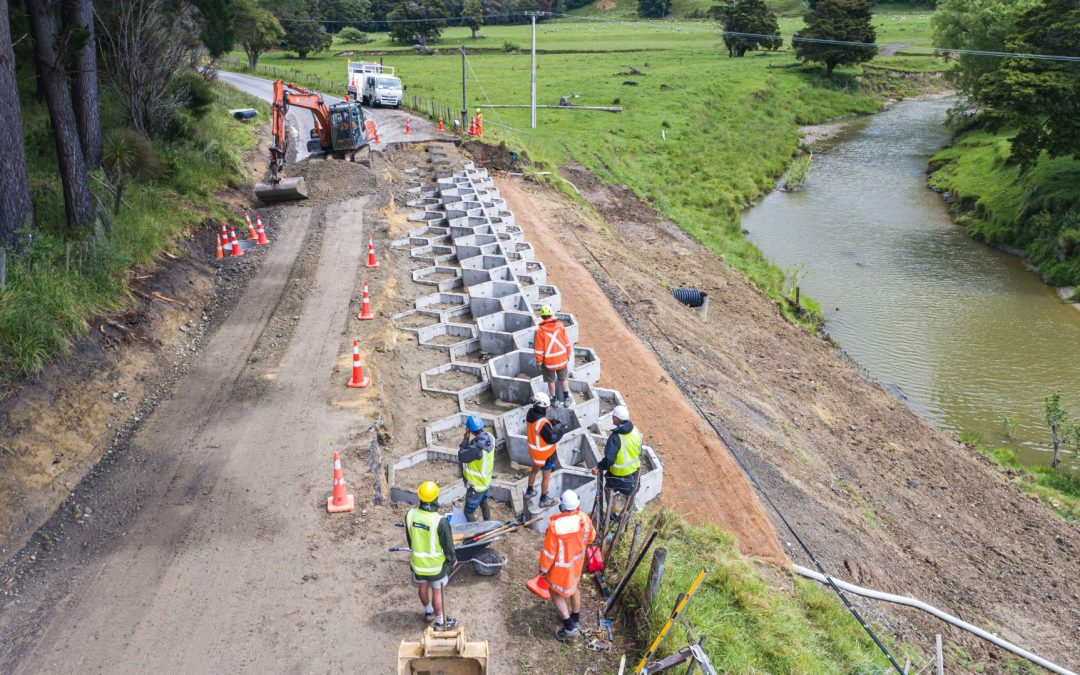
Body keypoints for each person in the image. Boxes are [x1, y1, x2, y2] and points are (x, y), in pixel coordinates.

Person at [539, 489, 595, 640]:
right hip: (577, 563)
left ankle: (569, 627)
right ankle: (576, 617)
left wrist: (543, 569)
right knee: (574, 588)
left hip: (560, 568)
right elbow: (591, 538)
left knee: (555, 592)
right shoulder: (585, 519)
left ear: (562, 507)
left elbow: (549, 552)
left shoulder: (556, 526)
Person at [405, 481, 458, 630]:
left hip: (418, 563)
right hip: (435, 566)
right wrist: (452, 559)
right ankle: (440, 621)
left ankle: (428, 612)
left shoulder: (410, 515)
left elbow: (410, 540)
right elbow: (448, 545)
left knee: (422, 586)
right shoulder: (439, 521)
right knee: (437, 591)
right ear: (435, 498)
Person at [525, 392, 566, 508]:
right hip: (545, 455)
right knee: (546, 476)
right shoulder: (542, 423)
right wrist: (562, 430)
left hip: (535, 453)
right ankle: (543, 499)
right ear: (542, 408)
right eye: (546, 407)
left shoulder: (530, 414)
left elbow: (540, 430)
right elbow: (552, 439)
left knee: (534, 470)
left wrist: (552, 423)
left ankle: (529, 491)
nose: (548, 409)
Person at [592, 405, 643, 500]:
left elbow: (609, 460)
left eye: (613, 417)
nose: (612, 419)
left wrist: (599, 466)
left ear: (616, 419)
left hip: (619, 475)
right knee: (631, 492)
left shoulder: (615, 437)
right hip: (634, 472)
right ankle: (627, 512)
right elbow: (639, 449)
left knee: (608, 490)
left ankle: (612, 514)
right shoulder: (635, 430)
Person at [533, 305, 574, 408]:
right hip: (562, 359)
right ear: (551, 314)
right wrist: (568, 354)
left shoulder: (540, 331)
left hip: (549, 362)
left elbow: (538, 349)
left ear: (542, 317)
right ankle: (566, 398)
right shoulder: (560, 326)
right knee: (563, 378)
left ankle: (554, 400)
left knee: (550, 381)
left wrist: (539, 362)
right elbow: (567, 343)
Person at [458, 415, 494, 522]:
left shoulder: (476, 449)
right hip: (485, 482)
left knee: (469, 512)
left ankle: (477, 535)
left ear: (469, 430)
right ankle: (487, 524)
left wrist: (465, 439)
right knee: (483, 502)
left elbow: (461, 456)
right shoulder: (490, 437)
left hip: (476, 486)